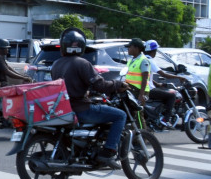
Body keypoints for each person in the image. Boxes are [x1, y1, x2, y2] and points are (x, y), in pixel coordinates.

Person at [50, 28, 128, 169]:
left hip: (64, 108)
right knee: (120, 116)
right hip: (80, 108)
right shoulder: (82, 63)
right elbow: (100, 85)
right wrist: (118, 84)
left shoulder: (56, 64)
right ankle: (108, 152)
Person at [144, 39, 188, 128]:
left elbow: (146, 77)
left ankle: (159, 115)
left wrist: (158, 84)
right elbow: (163, 74)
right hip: (149, 90)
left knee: (164, 92)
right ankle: (166, 119)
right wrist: (179, 77)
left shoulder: (142, 59)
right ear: (154, 51)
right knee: (172, 95)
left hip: (145, 88)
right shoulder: (149, 60)